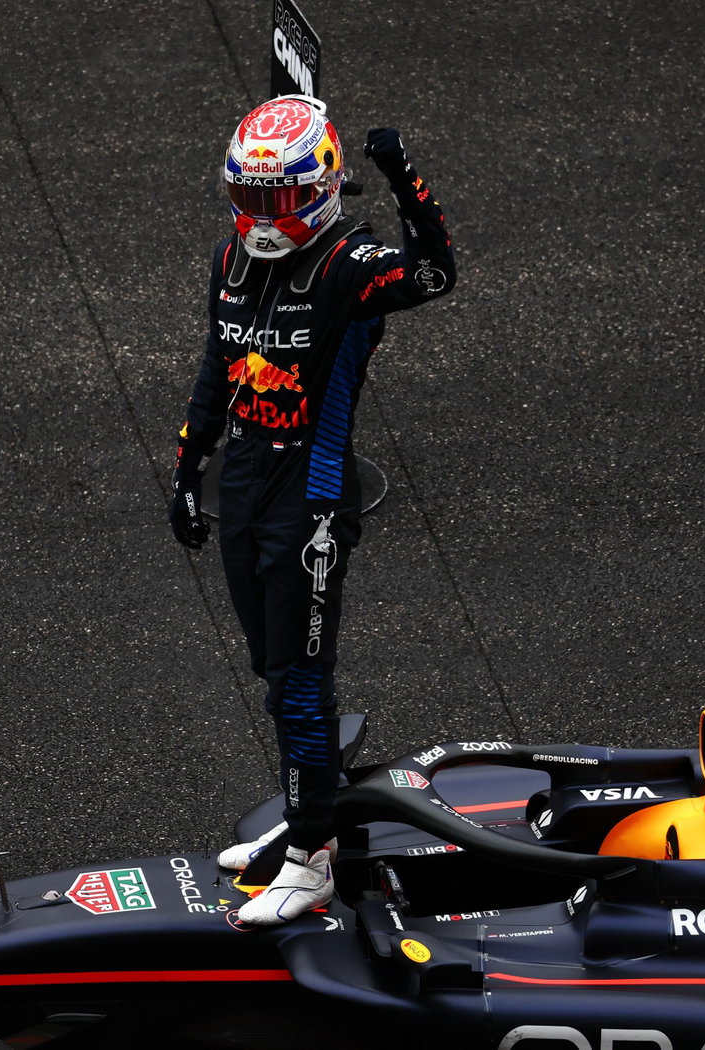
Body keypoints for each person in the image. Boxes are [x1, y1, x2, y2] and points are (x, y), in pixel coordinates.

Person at [168, 94, 455, 925]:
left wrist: (403, 176)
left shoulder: (351, 264)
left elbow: (436, 272)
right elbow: (219, 368)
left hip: (313, 494)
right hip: (246, 481)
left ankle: (312, 859)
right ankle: (306, 817)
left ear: (323, 189)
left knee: (300, 681)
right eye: (250, 198)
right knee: (273, 671)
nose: (263, 218)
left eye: (281, 199)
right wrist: (188, 468)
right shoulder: (230, 260)